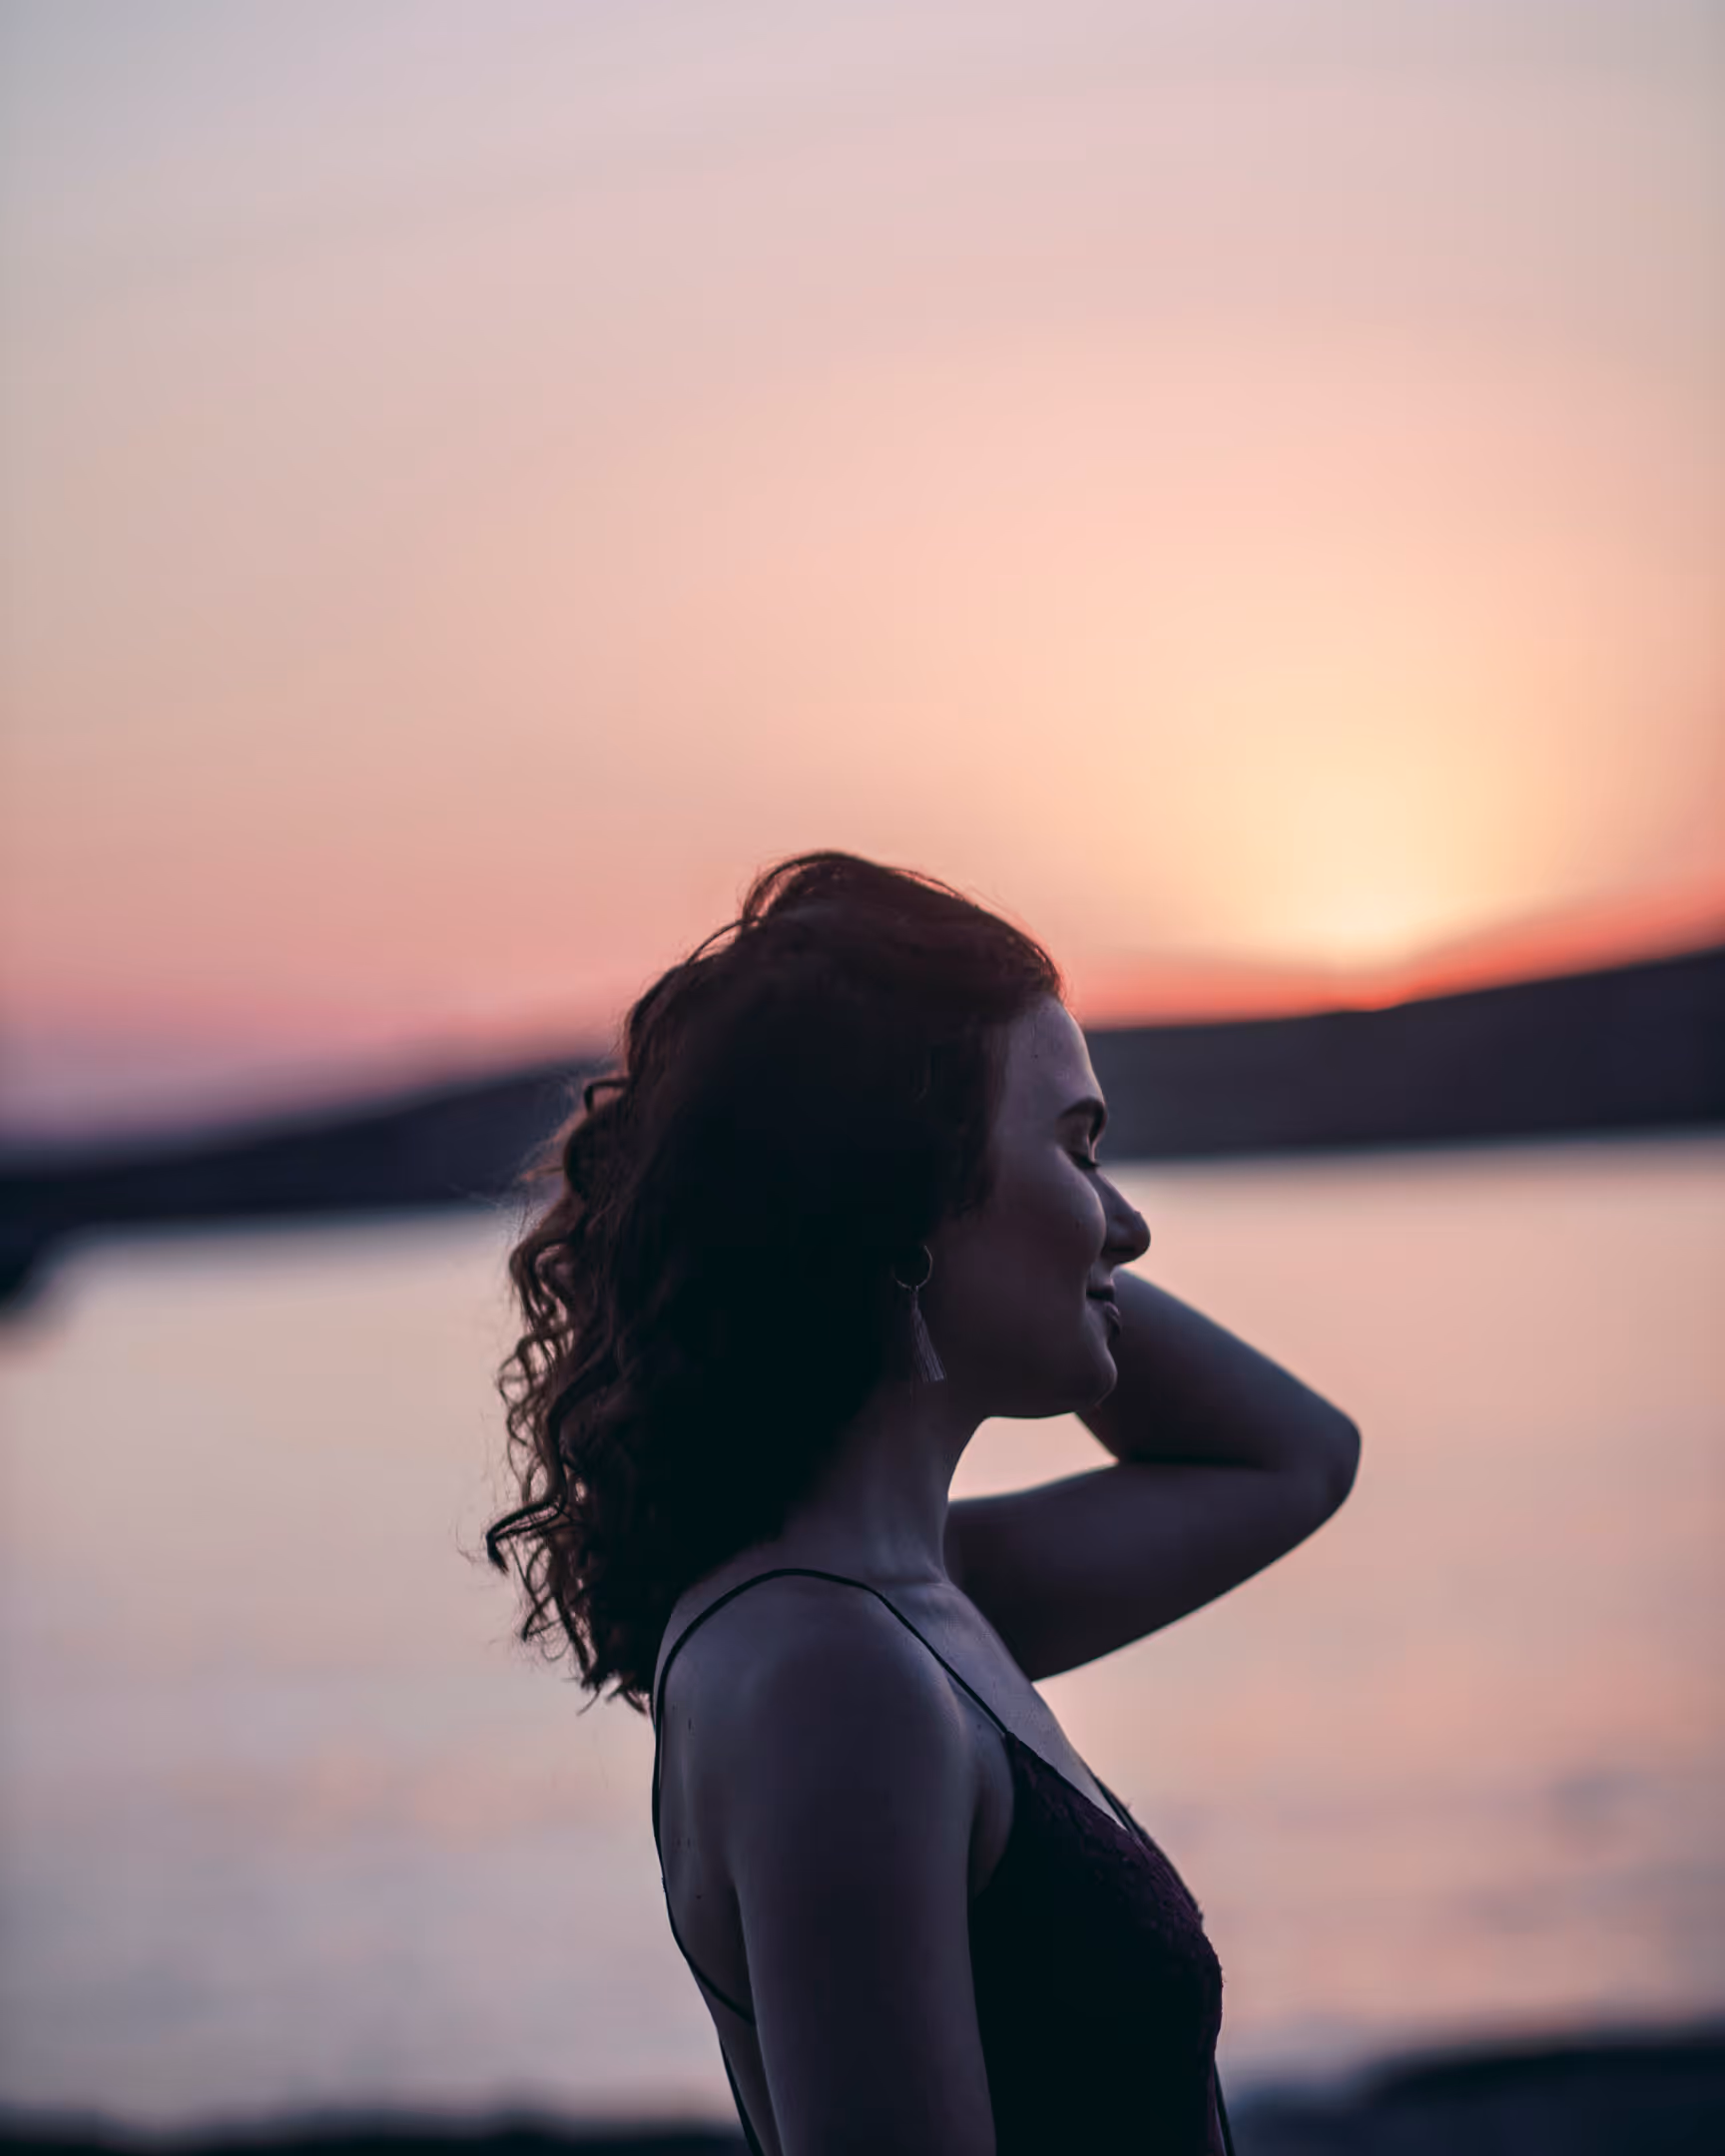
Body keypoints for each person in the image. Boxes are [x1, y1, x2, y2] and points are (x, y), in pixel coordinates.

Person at [488, 850, 1361, 2155]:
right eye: (1077, 1147)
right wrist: (1015, 1257)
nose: (1127, 1223)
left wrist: (1042, 1259)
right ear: (904, 1194)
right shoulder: (833, 1676)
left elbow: (1294, 1457)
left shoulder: (916, 1602)